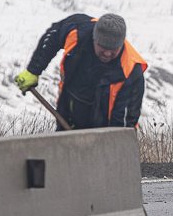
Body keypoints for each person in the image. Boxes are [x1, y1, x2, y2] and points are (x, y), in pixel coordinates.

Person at [14, 13, 147, 129]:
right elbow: (53, 35)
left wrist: (111, 146)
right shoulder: (78, 31)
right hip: (69, 113)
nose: (107, 53)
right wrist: (33, 70)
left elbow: (125, 122)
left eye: (113, 49)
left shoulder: (130, 71)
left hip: (104, 127)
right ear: (94, 39)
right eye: (103, 47)